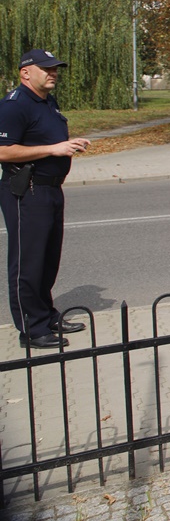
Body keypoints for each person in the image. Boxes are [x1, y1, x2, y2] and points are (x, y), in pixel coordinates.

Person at [0, 49, 91, 349]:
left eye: (55, 69)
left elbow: (46, 138)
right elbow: (3, 151)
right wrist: (54, 150)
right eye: (46, 69)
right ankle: (32, 328)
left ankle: (45, 314)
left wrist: (67, 145)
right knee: (28, 261)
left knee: (48, 259)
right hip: (27, 191)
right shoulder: (14, 105)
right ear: (26, 72)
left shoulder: (46, 101)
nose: (53, 73)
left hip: (51, 189)